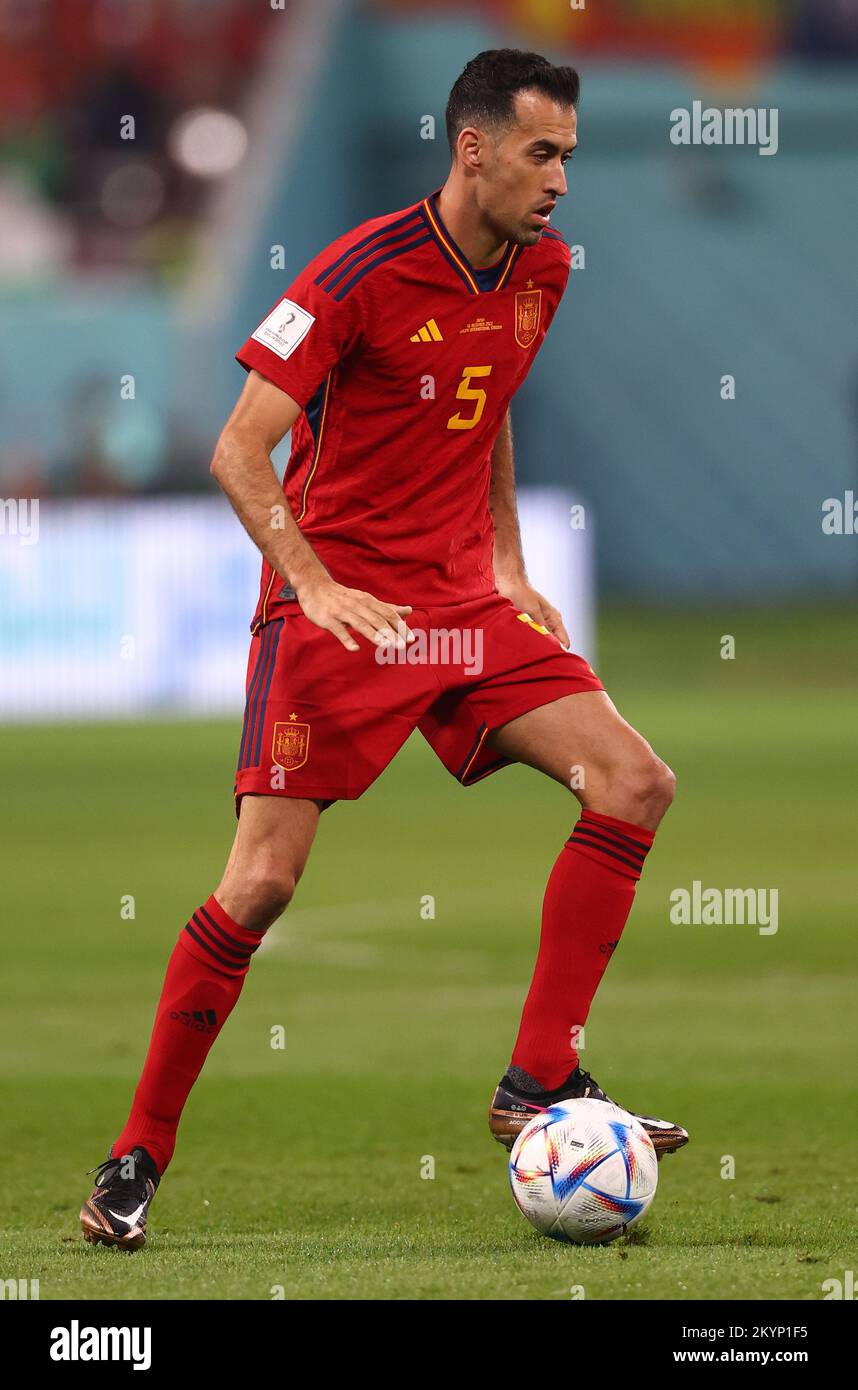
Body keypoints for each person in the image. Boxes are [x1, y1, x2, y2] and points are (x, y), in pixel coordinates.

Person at [80, 47, 686, 1252]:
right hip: (338, 615)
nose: (563, 177)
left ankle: (539, 1079)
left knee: (634, 779)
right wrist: (313, 585)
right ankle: (136, 1156)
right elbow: (239, 452)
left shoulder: (544, 269)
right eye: (542, 152)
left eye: (570, 152)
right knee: (260, 883)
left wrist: (507, 566)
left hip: (461, 607)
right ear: (474, 149)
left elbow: (489, 393)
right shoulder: (354, 271)